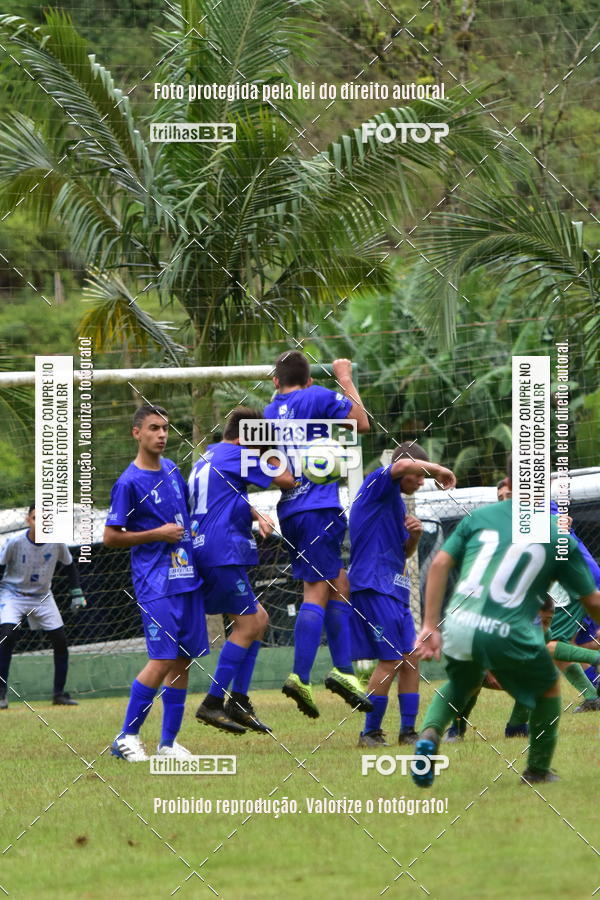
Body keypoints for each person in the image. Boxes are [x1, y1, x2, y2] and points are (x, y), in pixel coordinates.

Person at [413, 457, 600, 786]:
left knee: (460, 684)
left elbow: (440, 564)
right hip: (508, 629)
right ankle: (537, 770)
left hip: (458, 621)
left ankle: (429, 735)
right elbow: (592, 600)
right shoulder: (558, 538)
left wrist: (429, 624)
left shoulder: (481, 517)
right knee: (546, 688)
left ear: (508, 486)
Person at [263, 351, 371, 718]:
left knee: (339, 584)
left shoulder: (267, 413)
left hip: (290, 510)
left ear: (276, 382)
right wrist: (343, 377)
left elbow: (268, 464)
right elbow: (361, 423)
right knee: (317, 589)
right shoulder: (317, 396)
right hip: (318, 508)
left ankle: (345, 672)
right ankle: (301, 676)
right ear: (308, 379)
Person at [104, 405, 208, 762]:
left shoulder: (173, 470)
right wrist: (156, 534)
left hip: (186, 579)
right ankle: (126, 736)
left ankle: (168, 743)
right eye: (153, 428)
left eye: (165, 428)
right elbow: (110, 537)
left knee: (182, 660)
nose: (162, 434)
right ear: (137, 433)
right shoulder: (128, 482)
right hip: (155, 583)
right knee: (162, 658)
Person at [190, 407, 295, 734]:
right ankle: (212, 702)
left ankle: (239, 700)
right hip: (220, 551)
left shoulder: (209, 457)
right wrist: (277, 450)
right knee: (250, 622)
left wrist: (256, 514)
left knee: (257, 619)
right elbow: (287, 479)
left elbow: (223, 497)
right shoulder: (236, 454)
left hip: (207, 546)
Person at [348, 442, 456, 747]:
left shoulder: (395, 503)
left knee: (411, 659)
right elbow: (403, 466)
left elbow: (403, 551)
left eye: (425, 477)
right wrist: (439, 470)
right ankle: (369, 732)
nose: (422, 482)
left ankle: (408, 732)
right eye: (419, 475)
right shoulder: (376, 483)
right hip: (372, 585)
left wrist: (415, 536)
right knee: (390, 660)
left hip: (394, 587)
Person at [0, 505, 87, 708]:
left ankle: (59, 694)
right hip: (14, 594)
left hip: (42, 596)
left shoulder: (57, 543)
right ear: (28, 520)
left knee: (60, 640)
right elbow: (1, 567)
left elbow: (70, 566)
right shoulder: (14, 542)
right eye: (36, 518)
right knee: (7, 635)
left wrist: (76, 593)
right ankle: (1, 693)